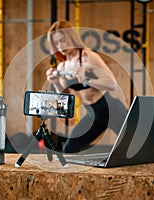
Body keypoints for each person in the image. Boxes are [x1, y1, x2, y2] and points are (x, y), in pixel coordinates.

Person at [46, 20, 128, 153]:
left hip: (111, 109)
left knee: (134, 146)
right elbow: (65, 97)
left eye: (63, 40)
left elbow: (112, 83)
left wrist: (87, 80)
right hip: (93, 114)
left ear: (72, 38)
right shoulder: (62, 66)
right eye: (57, 43)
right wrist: (55, 82)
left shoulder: (87, 56)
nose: (61, 46)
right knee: (69, 149)